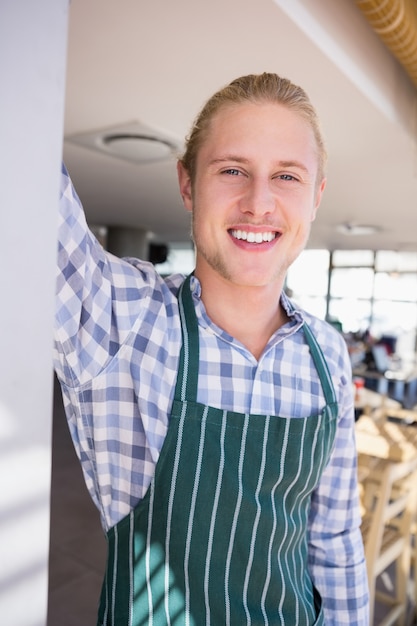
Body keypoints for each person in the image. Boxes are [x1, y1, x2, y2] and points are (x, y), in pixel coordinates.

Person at [54, 72, 369, 625]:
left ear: (317, 196)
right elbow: (23, 170)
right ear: (187, 184)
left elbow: (335, 542)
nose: (259, 202)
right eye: (232, 170)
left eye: (287, 177)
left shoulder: (328, 353)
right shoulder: (123, 318)